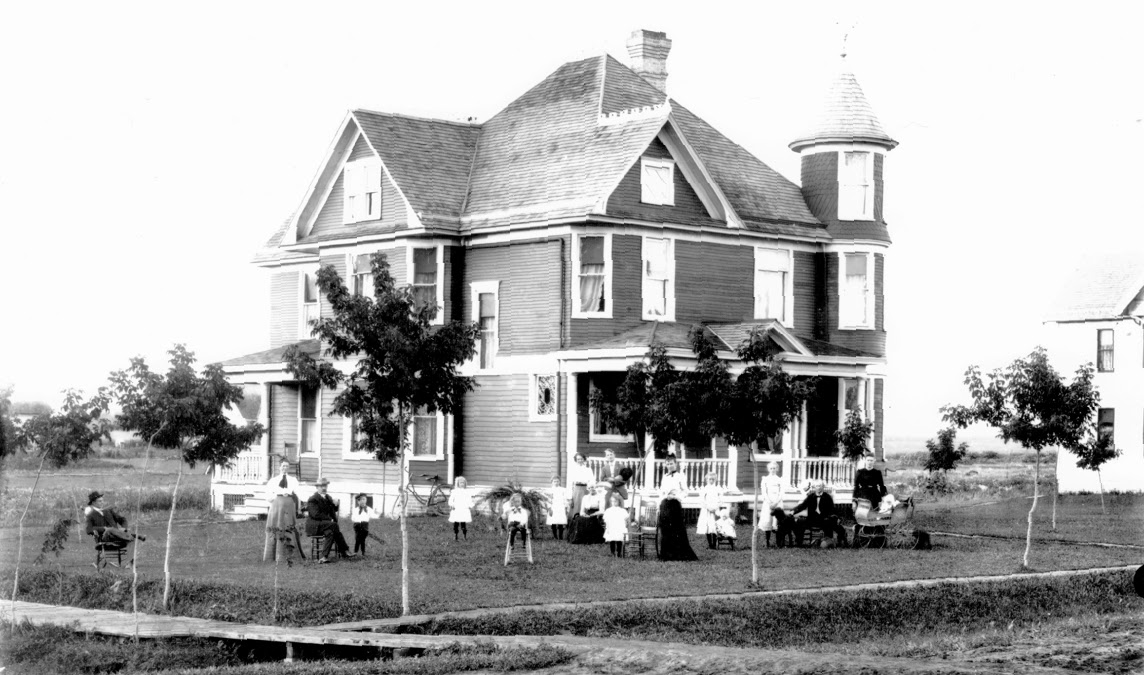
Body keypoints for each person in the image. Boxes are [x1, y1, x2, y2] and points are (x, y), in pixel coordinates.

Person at [656, 457, 697, 561]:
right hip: (665, 504)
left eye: (671, 464)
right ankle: (666, 555)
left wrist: (675, 496)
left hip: (675, 504)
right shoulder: (665, 476)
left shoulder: (680, 476)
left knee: (676, 529)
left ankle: (679, 555)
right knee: (665, 529)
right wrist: (659, 505)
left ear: (675, 464)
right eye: (668, 464)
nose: (669, 466)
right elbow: (661, 492)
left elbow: (685, 492)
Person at [306, 477, 353, 563]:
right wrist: (330, 519)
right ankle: (344, 551)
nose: (324, 488)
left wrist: (336, 505)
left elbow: (332, 510)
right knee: (334, 525)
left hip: (324, 525)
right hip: (314, 525)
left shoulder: (328, 497)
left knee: (330, 533)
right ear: (317, 487)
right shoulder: (313, 499)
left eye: (325, 486)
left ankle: (324, 557)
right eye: (321, 486)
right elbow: (315, 514)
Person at [263, 458, 302, 561]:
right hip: (277, 505)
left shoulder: (293, 480)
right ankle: (273, 555)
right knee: (276, 527)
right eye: (283, 466)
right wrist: (275, 497)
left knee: (288, 527)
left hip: (288, 504)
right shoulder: (274, 480)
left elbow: (299, 492)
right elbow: (268, 495)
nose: (285, 468)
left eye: (287, 466)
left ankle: (290, 554)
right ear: (279, 467)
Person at [790, 480, 848, 547]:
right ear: (814, 487)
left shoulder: (827, 497)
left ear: (823, 487)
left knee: (834, 524)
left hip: (824, 520)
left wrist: (838, 517)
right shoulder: (810, 497)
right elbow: (802, 506)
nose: (818, 488)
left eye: (820, 486)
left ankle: (832, 541)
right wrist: (793, 511)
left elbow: (833, 509)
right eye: (817, 486)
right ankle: (799, 542)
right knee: (800, 522)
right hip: (812, 519)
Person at [757, 462, 784, 547]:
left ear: (777, 469)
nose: (773, 470)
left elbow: (781, 492)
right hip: (768, 502)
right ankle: (767, 542)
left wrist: (776, 502)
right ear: (769, 469)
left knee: (777, 521)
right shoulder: (765, 479)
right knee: (768, 520)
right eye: (771, 468)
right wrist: (769, 502)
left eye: (774, 468)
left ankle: (778, 542)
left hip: (777, 501)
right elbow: (764, 492)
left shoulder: (780, 479)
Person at [696, 471, 723, 549]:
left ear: (715, 480)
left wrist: (715, 508)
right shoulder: (704, 489)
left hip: (715, 510)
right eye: (709, 479)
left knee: (714, 526)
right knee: (707, 526)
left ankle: (714, 544)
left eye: (713, 479)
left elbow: (721, 500)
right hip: (706, 510)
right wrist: (708, 507)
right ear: (707, 480)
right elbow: (702, 500)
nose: (711, 481)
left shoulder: (718, 489)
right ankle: (710, 544)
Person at [568, 453, 594, 519]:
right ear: (576, 460)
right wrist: (570, 498)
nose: (580, 460)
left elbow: (591, 481)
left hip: (586, 490)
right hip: (577, 490)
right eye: (578, 459)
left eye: (581, 459)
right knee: (576, 508)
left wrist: (591, 492)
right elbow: (569, 483)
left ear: (584, 459)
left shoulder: (588, 470)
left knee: (585, 507)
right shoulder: (573, 470)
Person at [602, 492, 629, 557]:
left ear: (619, 502)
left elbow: (625, 519)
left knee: (619, 539)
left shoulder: (622, 511)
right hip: (612, 527)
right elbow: (606, 520)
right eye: (612, 501)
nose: (613, 503)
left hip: (619, 527)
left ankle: (619, 552)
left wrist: (625, 525)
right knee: (612, 539)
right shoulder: (609, 510)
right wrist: (607, 527)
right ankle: (613, 552)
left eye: (615, 501)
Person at [448, 476, 473, 541]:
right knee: (456, 523)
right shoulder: (455, 491)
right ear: (458, 483)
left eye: (463, 483)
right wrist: (451, 504)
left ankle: (464, 536)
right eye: (460, 483)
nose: (462, 484)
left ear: (465, 484)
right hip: (456, 509)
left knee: (463, 523)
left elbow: (469, 500)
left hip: (464, 509)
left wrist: (471, 505)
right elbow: (451, 499)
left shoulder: (467, 492)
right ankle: (455, 535)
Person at [546, 476, 569, 540]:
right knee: (553, 522)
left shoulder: (563, 490)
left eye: (557, 481)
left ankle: (560, 537)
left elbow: (565, 499)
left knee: (560, 522)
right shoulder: (550, 490)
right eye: (554, 481)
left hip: (561, 507)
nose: (556, 483)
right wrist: (549, 508)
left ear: (560, 482)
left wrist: (566, 507)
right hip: (553, 507)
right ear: (552, 482)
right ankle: (555, 536)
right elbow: (548, 500)